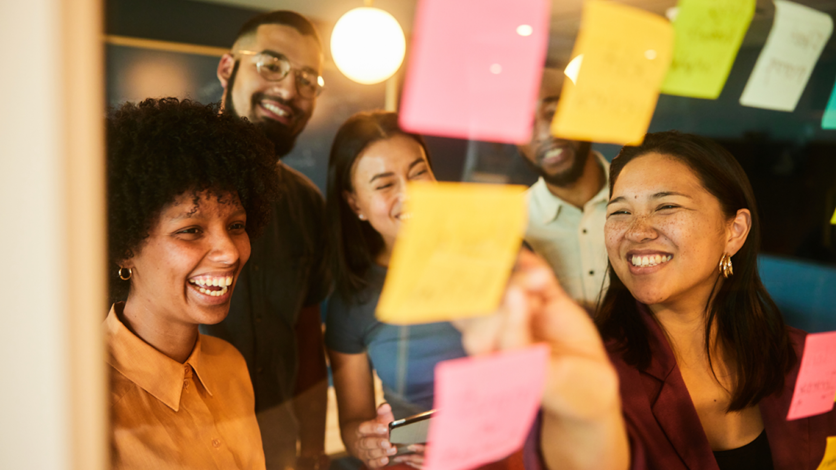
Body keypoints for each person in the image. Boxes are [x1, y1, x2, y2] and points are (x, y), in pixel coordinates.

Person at [458, 131, 836, 470]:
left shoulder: (803, 359)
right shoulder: (594, 372)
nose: (638, 231)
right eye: (620, 211)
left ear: (733, 231)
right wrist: (587, 412)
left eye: (666, 206)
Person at [105, 98, 280, 469]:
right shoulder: (82, 402)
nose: (230, 252)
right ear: (124, 247)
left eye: (236, 226)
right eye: (190, 231)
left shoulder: (230, 368)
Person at [203, 10, 330, 470]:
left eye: (307, 79)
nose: (288, 90)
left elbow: (306, 335)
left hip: (275, 443)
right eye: (271, 64)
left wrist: (314, 450)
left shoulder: (307, 204)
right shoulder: (163, 184)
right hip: (177, 440)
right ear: (226, 68)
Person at [324, 111, 468, 469]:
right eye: (384, 184)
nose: (411, 193)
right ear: (355, 203)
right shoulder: (354, 299)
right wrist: (368, 443)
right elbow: (353, 424)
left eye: (419, 172)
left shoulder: (495, 256)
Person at [518, 68, 609, 312]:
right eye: (526, 122)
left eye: (554, 112)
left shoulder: (644, 200)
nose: (545, 133)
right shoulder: (512, 223)